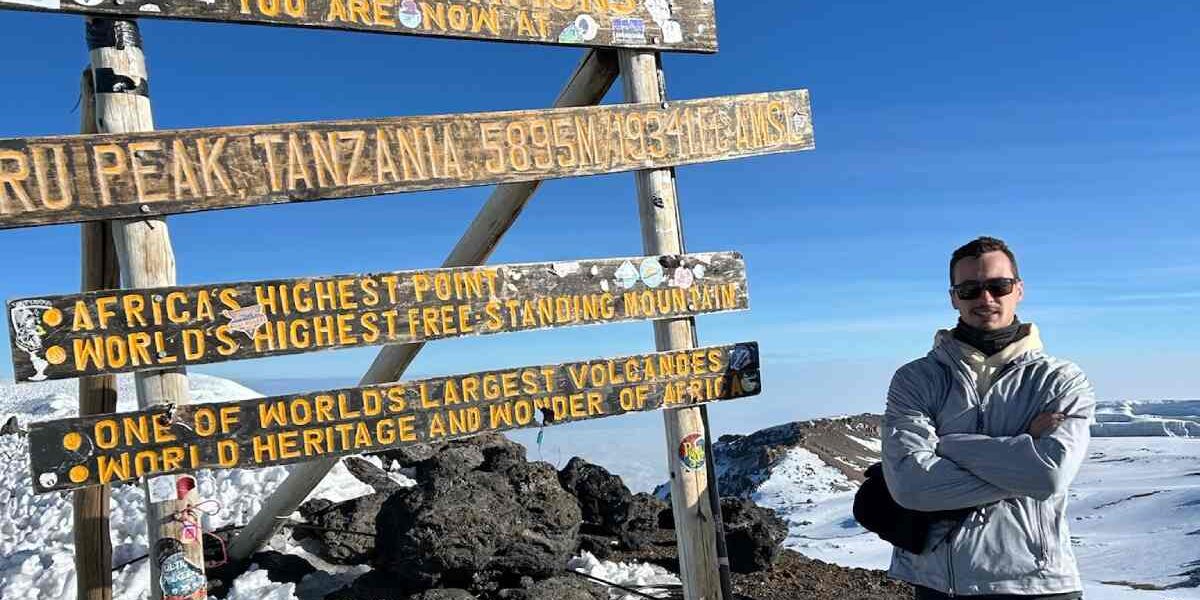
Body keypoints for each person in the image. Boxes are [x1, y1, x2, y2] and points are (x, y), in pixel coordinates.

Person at [881, 236, 1095, 599]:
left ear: (1019, 290)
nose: (985, 299)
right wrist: (1020, 455)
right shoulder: (916, 378)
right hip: (938, 585)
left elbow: (1048, 473)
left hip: (1038, 583)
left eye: (999, 286)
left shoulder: (1060, 379)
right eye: (969, 289)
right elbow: (912, 486)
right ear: (953, 297)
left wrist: (947, 447)